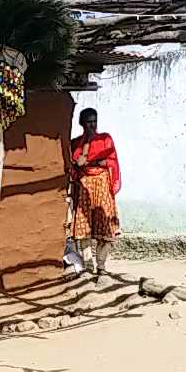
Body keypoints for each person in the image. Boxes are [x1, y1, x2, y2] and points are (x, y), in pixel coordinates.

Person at [69, 108, 122, 276]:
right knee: (84, 226)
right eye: (88, 122)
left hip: (102, 185)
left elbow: (110, 160)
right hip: (85, 186)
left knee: (105, 225)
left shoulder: (105, 139)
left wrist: (94, 160)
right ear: (82, 124)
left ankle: (101, 265)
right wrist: (86, 150)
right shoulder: (76, 143)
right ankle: (87, 265)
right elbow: (76, 163)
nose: (92, 125)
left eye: (94, 121)